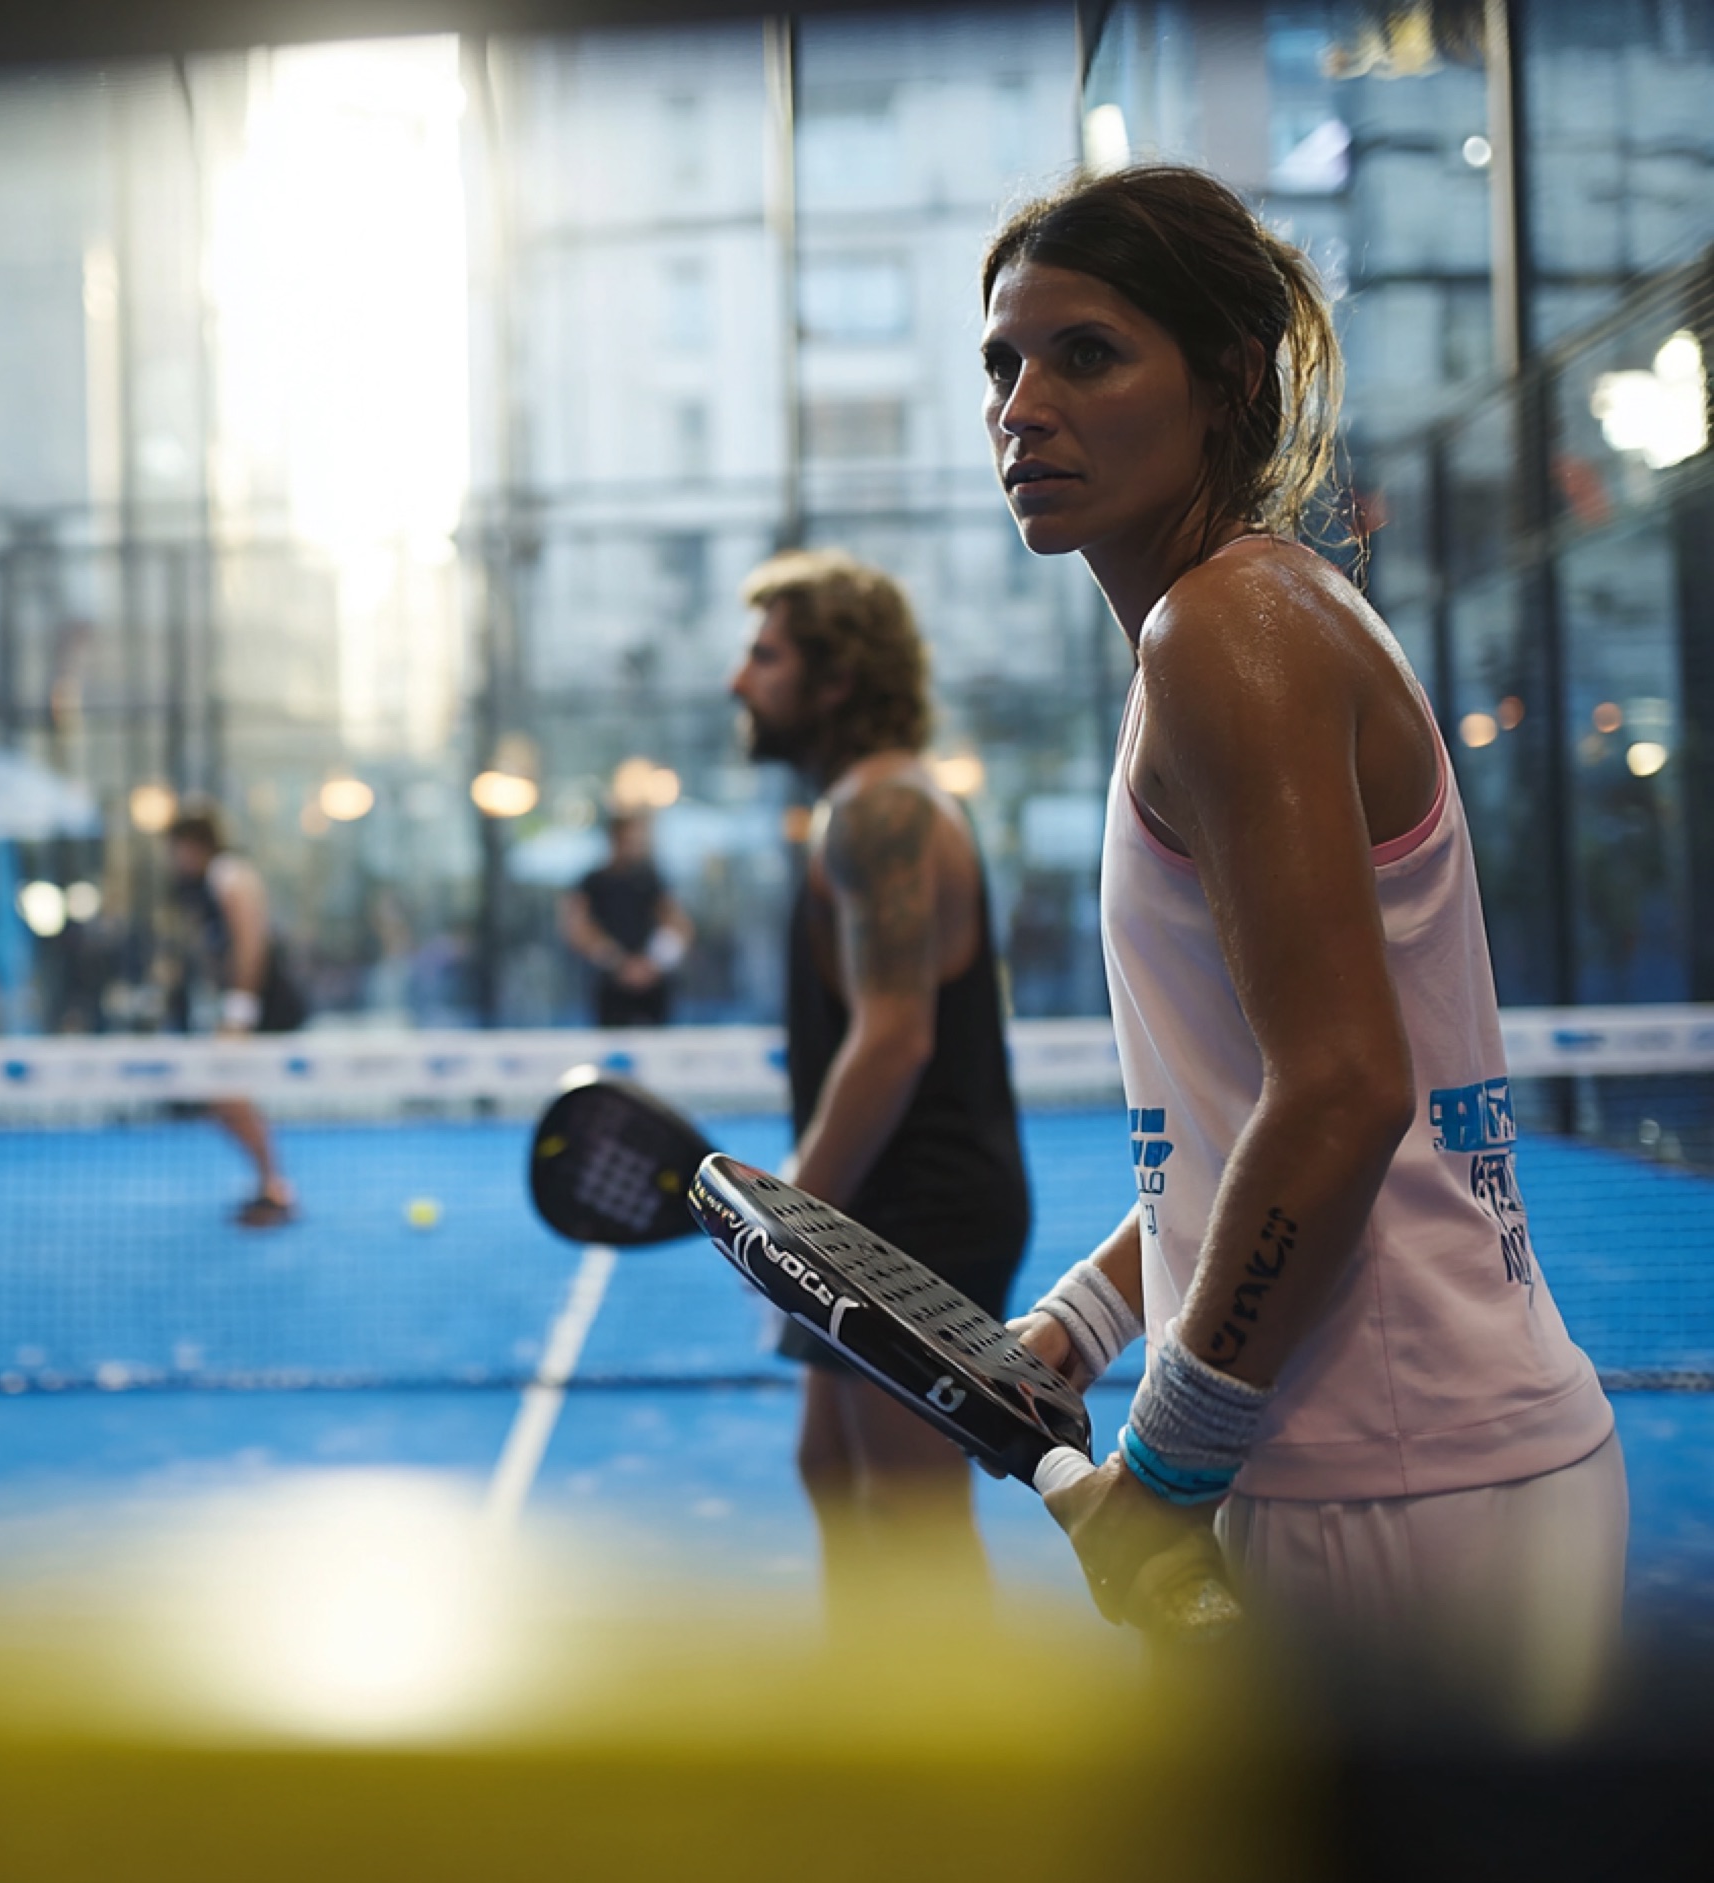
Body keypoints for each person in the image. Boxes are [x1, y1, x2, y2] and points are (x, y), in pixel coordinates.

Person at [983, 164, 1621, 1716]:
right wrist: (1091, 1315)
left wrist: (1171, 1456)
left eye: (1086, 352)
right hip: (1414, 1463)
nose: (1022, 406)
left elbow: (1341, 1092)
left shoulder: (1230, 630)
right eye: (1000, 363)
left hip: (1391, 1478)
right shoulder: (1245, 620)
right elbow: (1256, 1110)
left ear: (1226, 383)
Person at [728, 549, 1032, 1601]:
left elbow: (893, 1037)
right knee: (830, 1470)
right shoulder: (865, 807)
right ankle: (864, 1726)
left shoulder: (881, 813)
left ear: (837, 677)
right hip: (879, 1207)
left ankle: (946, 1755)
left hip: (917, 1219)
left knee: (909, 1518)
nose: (738, 679)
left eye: (764, 655)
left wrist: (779, 1217)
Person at [166, 798, 306, 1227]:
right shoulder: (205, 886)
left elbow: (250, 944)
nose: (173, 859)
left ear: (194, 844)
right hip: (239, 1008)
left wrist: (238, 1015)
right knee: (223, 1099)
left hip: (264, 1006)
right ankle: (271, 1184)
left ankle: (275, 1188)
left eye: (176, 848)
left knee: (226, 1095)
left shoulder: (231, 875)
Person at [558, 810, 692, 1027]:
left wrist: (653, 964)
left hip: (652, 982)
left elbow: (679, 925)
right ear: (614, 839)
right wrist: (618, 963)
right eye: (629, 839)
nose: (634, 845)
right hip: (611, 983)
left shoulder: (652, 879)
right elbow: (576, 927)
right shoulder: (594, 882)